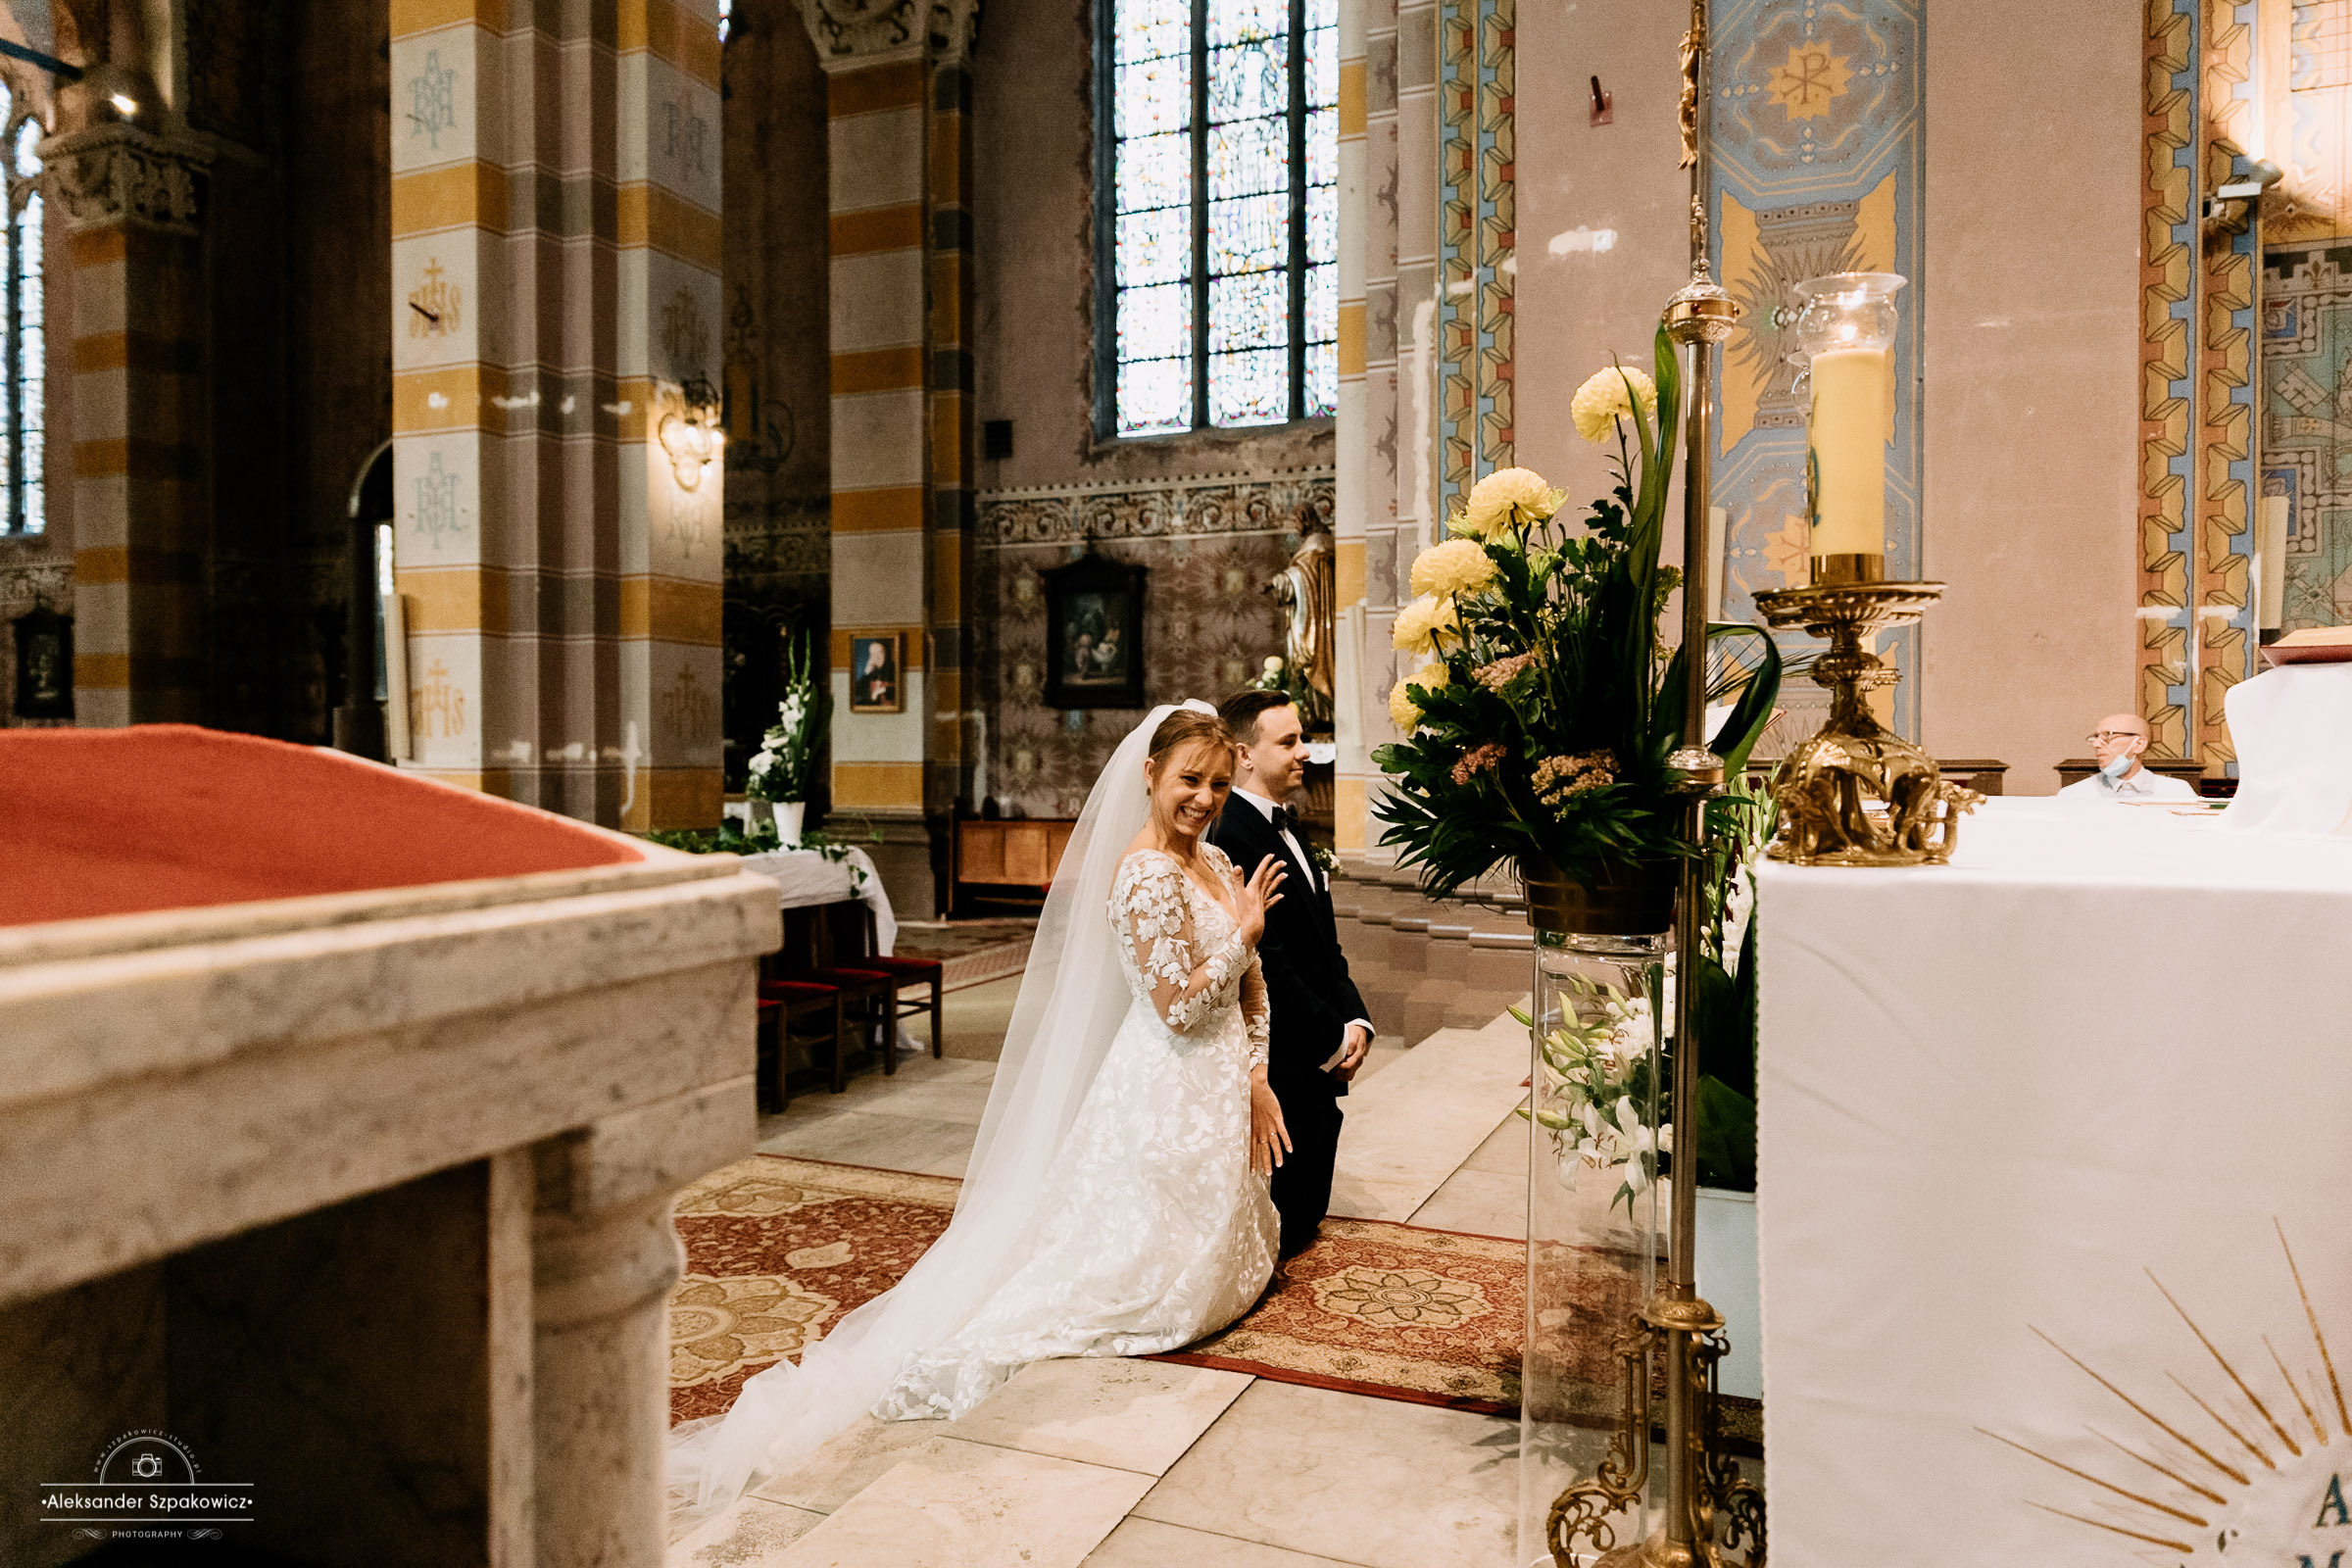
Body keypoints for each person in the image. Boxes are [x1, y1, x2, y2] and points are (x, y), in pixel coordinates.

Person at [670, 703, 1292, 1512]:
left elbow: (1251, 987)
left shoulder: (1209, 860)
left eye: (1215, 783)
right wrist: (1242, 933)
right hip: (1163, 1084)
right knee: (1102, 1275)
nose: (1204, 798)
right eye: (1188, 781)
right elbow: (1177, 1006)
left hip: (1214, 1085)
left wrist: (1253, 1074)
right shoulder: (1144, 872)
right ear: (1149, 775)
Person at [1211, 689, 1373, 1258]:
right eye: (1289, 741)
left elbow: (1323, 945)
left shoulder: (1289, 824)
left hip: (1312, 1046)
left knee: (1302, 1221)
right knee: (1286, 1224)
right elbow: (1266, 964)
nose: (1305, 751)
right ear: (1244, 755)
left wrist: (1357, 1017)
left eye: (1302, 737)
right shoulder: (1232, 835)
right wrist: (1332, 1039)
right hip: (1281, 1054)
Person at [2058, 713, 2200, 806]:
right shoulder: (2074, 795)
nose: (2096, 744)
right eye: (2095, 737)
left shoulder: (2176, 793)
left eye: (2107, 735)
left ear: (2139, 744)